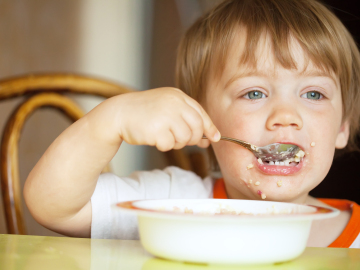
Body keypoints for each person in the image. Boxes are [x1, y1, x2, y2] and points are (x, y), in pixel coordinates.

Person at [24, 0, 360, 248]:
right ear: (202, 118)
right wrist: (110, 120)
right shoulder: (172, 204)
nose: (286, 116)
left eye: (314, 94)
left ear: (342, 127)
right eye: (254, 92)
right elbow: (53, 206)